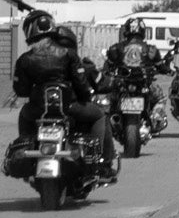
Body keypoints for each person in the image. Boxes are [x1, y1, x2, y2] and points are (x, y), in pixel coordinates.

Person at [11, 11, 114, 167]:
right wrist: (86, 96)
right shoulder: (68, 54)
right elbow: (81, 84)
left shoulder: (24, 59)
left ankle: (26, 151)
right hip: (69, 107)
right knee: (99, 116)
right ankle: (101, 158)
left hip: (39, 110)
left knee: (24, 115)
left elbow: (21, 90)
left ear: (29, 30)